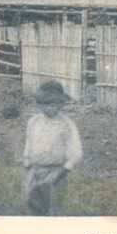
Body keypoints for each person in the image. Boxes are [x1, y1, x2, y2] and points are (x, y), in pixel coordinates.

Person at [22, 80, 83, 216]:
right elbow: (29, 141)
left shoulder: (66, 124)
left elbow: (75, 149)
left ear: (61, 104)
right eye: (44, 104)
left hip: (56, 170)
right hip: (35, 168)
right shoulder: (34, 122)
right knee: (32, 201)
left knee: (53, 205)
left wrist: (65, 168)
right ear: (39, 104)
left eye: (53, 104)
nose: (48, 108)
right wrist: (27, 160)